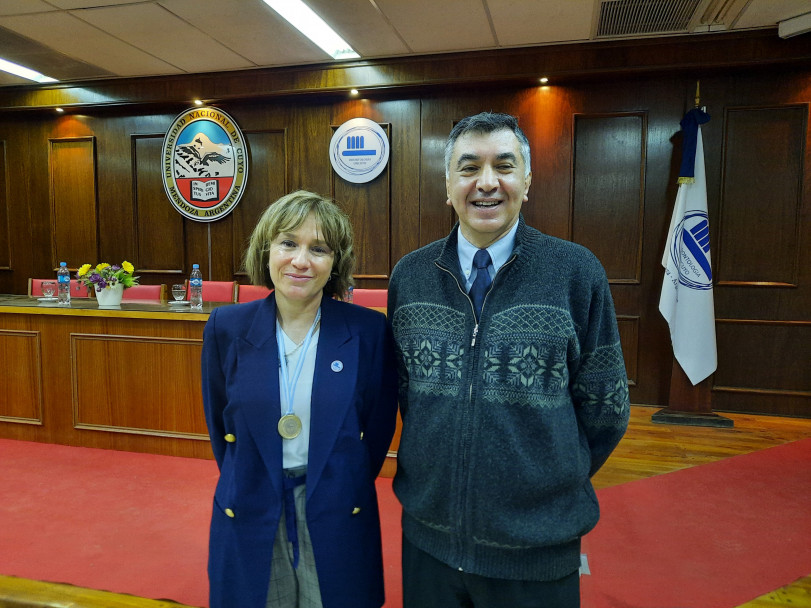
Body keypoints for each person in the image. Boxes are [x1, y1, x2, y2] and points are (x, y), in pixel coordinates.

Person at [387, 112, 630, 607]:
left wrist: (551, 476)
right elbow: (408, 396)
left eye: (504, 165)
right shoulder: (409, 277)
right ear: (448, 184)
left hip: (537, 549)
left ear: (527, 180)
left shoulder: (574, 272)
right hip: (429, 540)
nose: (487, 183)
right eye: (469, 167)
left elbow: (606, 407)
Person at [202, 190, 399, 608]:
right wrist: (250, 471)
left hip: (334, 498)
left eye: (319, 249)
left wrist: (348, 479)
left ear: (336, 263)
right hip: (252, 495)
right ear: (267, 250)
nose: (301, 260)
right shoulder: (226, 326)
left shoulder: (367, 331)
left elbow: (378, 427)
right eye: (288, 243)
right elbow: (221, 426)